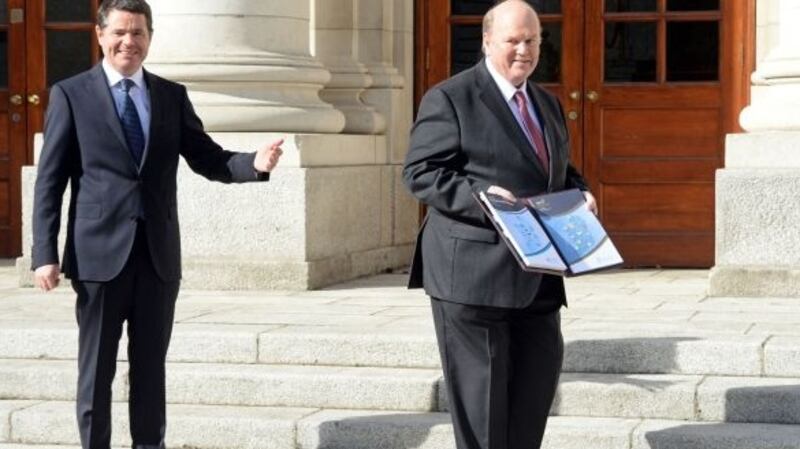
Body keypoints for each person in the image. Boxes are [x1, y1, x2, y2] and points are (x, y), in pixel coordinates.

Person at [30, 1, 283, 448]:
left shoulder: (170, 95)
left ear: (150, 36)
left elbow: (207, 157)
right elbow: (49, 182)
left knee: (150, 370)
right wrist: (44, 255)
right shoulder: (71, 94)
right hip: (98, 258)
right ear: (100, 35)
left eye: (139, 33)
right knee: (96, 371)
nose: (130, 42)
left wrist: (254, 163)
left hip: (157, 257)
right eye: (121, 32)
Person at [402, 1, 597, 448]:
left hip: (538, 276)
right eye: (513, 40)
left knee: (532, 400)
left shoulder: (545, 103)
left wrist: (579, 192)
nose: (524, 50)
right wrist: (481, 198)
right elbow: (420, 172)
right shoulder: (450, 97)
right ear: (488, 40)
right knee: (484, 417)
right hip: (472, 278)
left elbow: (558, 172)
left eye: (532, 40)